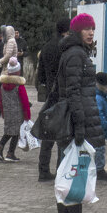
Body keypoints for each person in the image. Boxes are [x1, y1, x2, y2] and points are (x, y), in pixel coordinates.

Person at [52, 13, 103, 213]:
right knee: (75, 173)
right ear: (76, 32)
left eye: (92, 28)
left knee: (68, 171)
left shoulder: (76, 52)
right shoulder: (75, 54)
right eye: (86, 29)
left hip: (72, 120)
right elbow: (73, 91)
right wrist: (80, 125)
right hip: (74, 122)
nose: (91, 32)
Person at [36, 18, 71, 181]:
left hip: (50, 94)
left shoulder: (47, 46)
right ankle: (60, 171)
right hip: (63, 94)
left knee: (48, 132)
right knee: (63, 135)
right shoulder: (66, 48)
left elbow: (40, 75)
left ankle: (43, 170)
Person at [0, 57, 30, 162]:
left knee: (9, 131)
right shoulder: (19, 86)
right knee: (16, 133)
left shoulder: (2, 86)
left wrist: (3, 113)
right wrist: (27, 115)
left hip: (8, 112)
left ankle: (0, 148)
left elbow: (0, 101)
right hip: (18, 112)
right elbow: (25, 101)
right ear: (18, 71)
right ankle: (9, 153)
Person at [94, 72, 107, 181]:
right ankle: (99, 170)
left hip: (98, 127)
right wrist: (105, 124)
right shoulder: (99, 98)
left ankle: (98, 169)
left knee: (99, 148)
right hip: (99, 128)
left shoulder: (99, 96)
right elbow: (100, 114)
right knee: (99, 149)